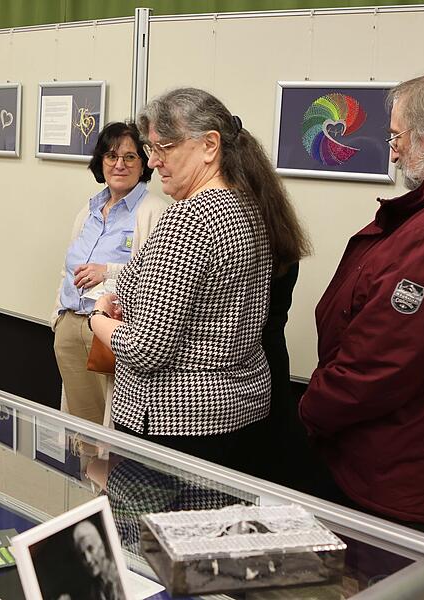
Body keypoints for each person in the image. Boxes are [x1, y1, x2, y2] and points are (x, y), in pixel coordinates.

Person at [91, 88, 309, 467]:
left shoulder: (189, 218)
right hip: (234, 414)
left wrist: (99, 319)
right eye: (152, 149)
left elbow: (145, 348)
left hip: (172, 421)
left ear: (209, 145)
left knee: (150, 528)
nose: (154, 162)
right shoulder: (250, 207)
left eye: (165, 148)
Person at [299, 70, 424, 536]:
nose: (391, 150)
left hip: (395, 469)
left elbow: (380, 363)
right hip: (395, 455)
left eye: (397, 136)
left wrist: (310, 410)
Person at [51, 121, 168, 425]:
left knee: (110, 429)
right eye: (111, 156)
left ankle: (104, 474)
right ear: (100, 161)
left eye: (130, 157)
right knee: (79, 427)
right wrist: (58, 318)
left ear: (144, 164)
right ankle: (83, 474)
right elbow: (67, 269)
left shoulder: (155, 212)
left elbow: (157, 277)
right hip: (71, 326)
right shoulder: (89, 210)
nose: (120, 165)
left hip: (111, 334)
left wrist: (108, 272)